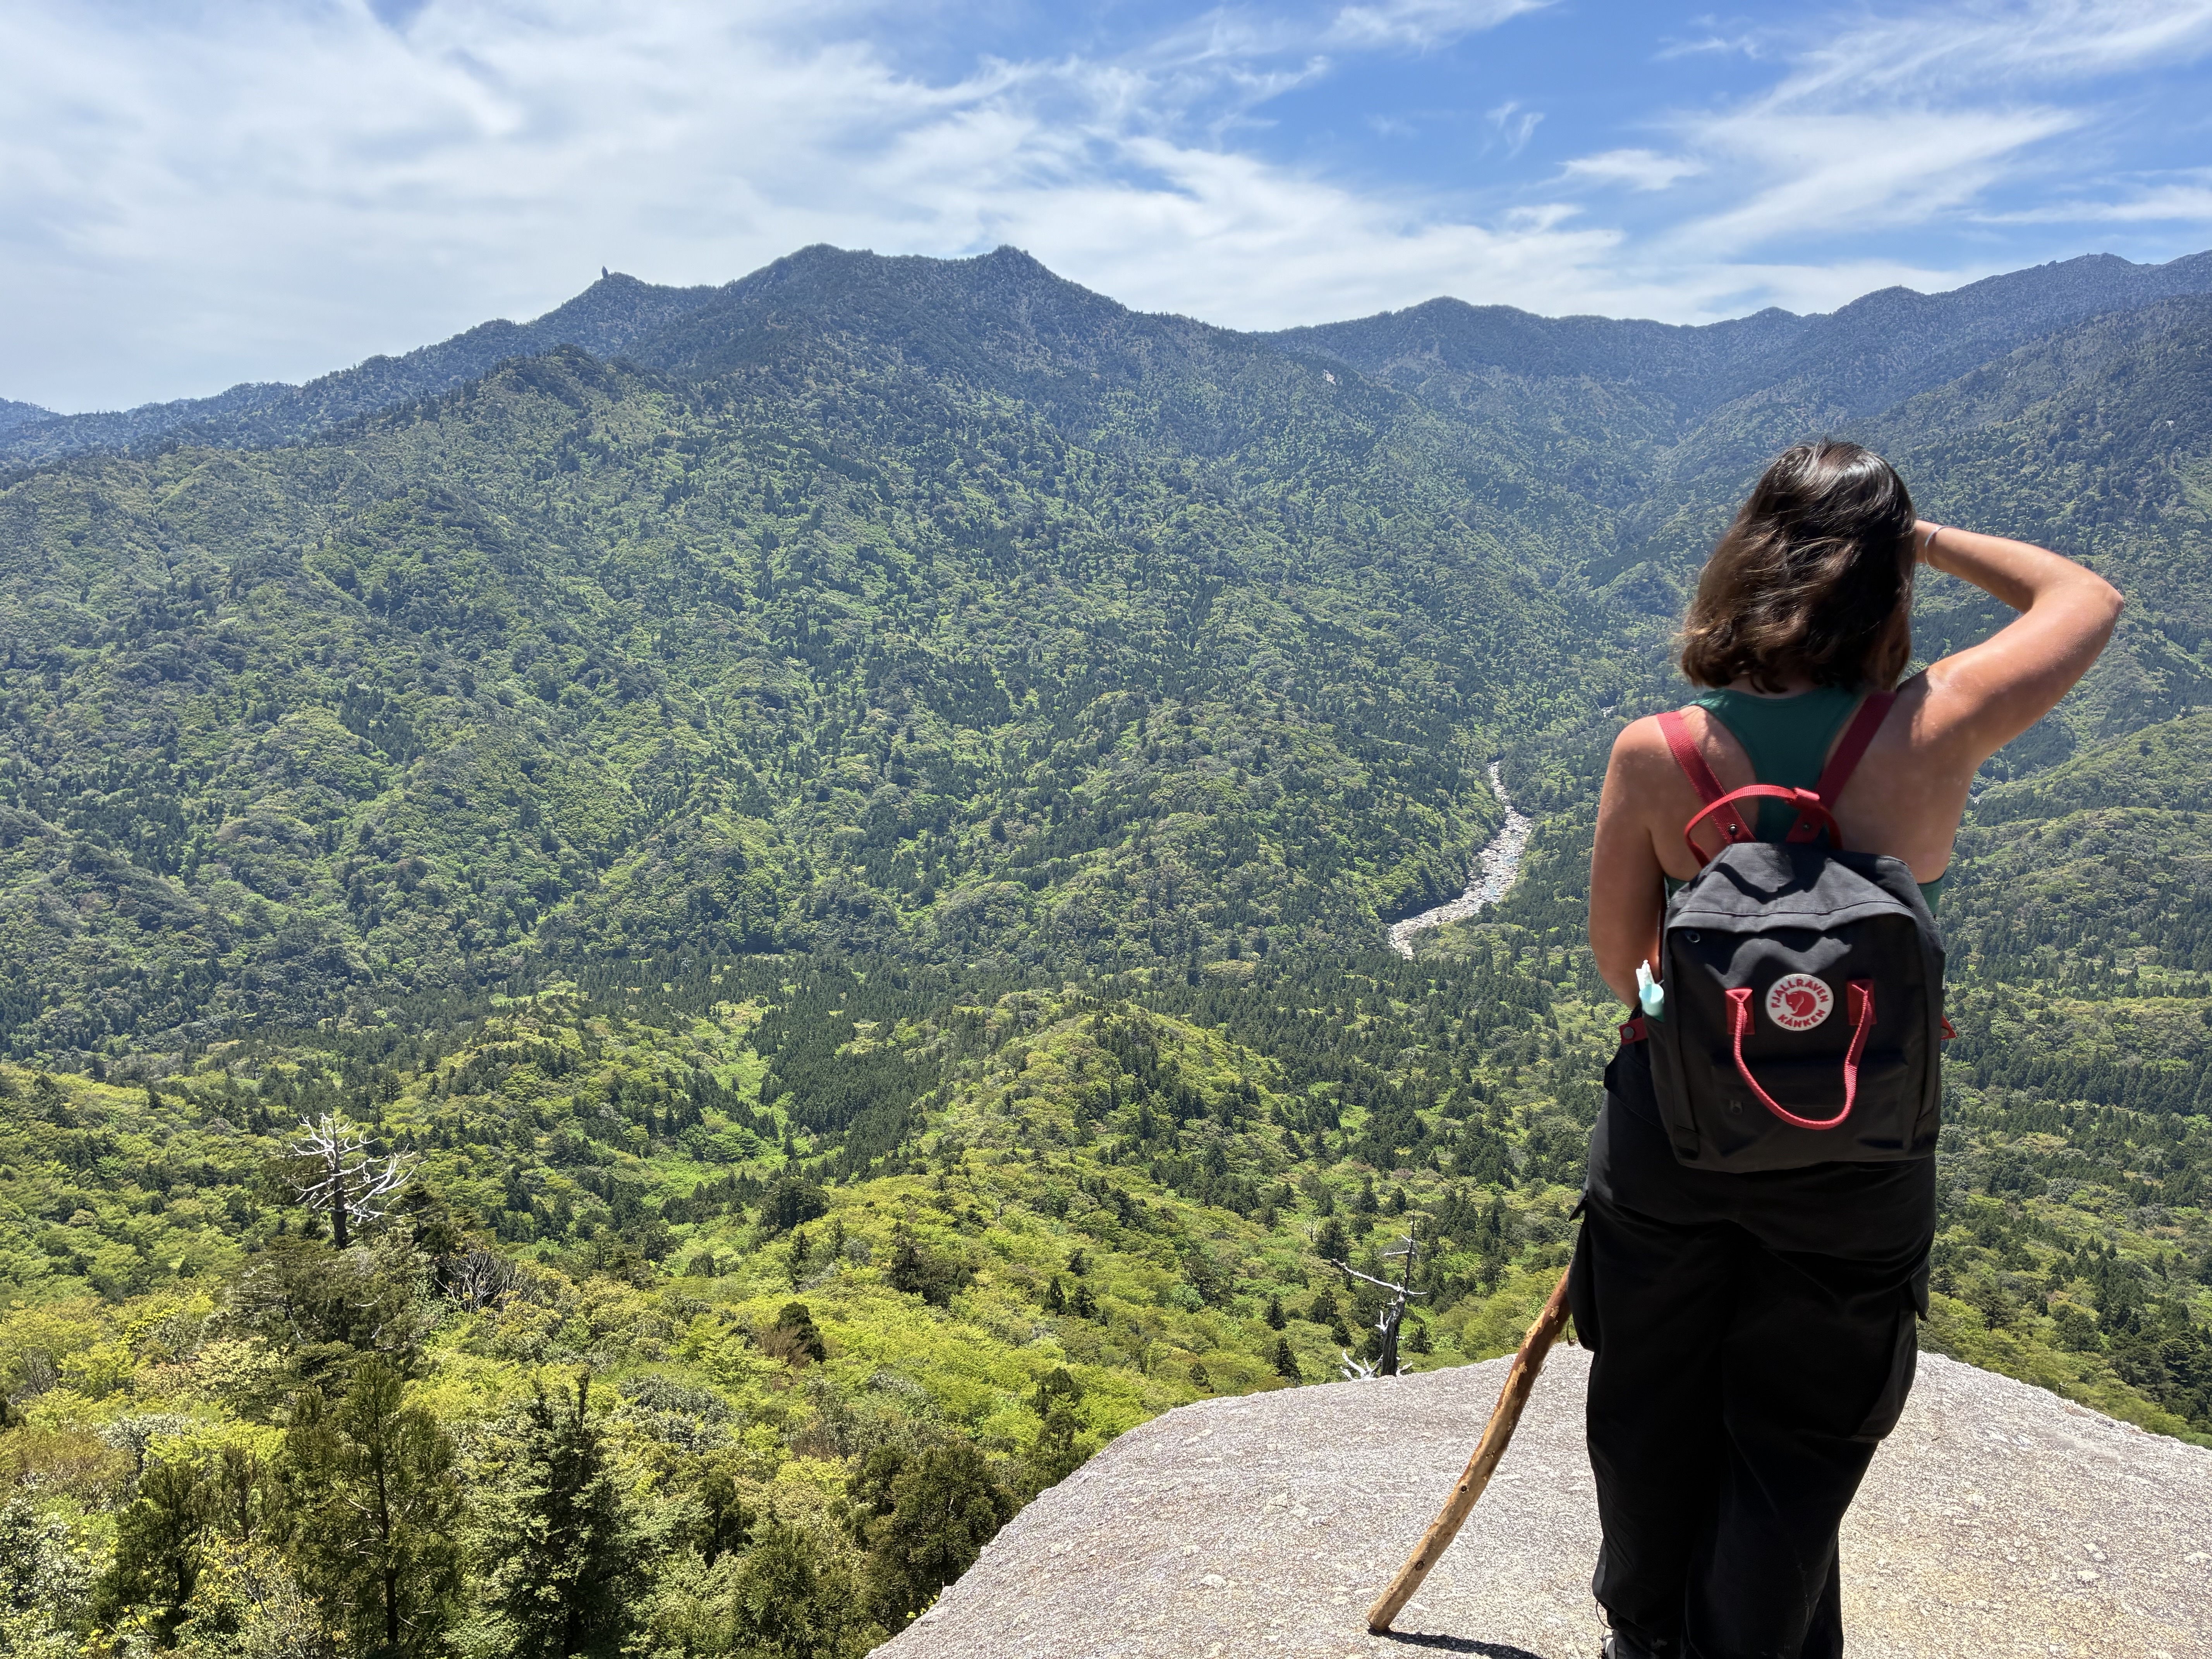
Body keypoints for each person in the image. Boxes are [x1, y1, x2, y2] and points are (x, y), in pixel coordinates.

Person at [1573, 440, 2122, 1659]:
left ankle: (1644, 1636)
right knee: (1804, 1433)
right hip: (1861, 1148)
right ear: (1882, 588)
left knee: (1650, 1399)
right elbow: (2086, 597)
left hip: (1676, 1134)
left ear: (1747, 561)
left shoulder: (1658, 752)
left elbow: (1626, 965)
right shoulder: (1932, 725)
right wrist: (1911, 540)